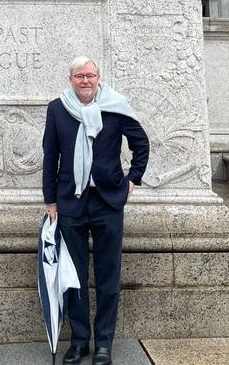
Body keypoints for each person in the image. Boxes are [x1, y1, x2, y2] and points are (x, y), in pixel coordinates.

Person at [42, 57, 150, 365]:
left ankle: (104, 343)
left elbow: (140, 144)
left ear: (98, 78)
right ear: (71, 79)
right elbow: (51, 157)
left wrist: (133, 180)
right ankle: (79, 342)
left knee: (107, 276)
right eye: (79, 76)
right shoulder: (58, 109)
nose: (85, 80)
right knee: (73, 277)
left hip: (107, 202)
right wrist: (51, 201)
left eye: (90, 75)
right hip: (71, 203)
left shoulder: (115, 106)